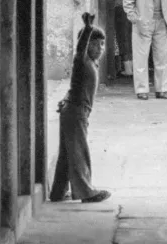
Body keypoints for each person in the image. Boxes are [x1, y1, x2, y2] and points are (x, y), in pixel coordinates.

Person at [48, 13, 112, 203]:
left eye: (102, 44)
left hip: (74, 112)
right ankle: (86, 192)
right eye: (95, 44)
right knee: (79, 152)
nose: (99, 48)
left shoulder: (92, 63)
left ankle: (57, 193)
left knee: (67, 154)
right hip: (75, 113)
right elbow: (79, 51)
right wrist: (87, 29)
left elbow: (75, 86)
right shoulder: (82, 61)